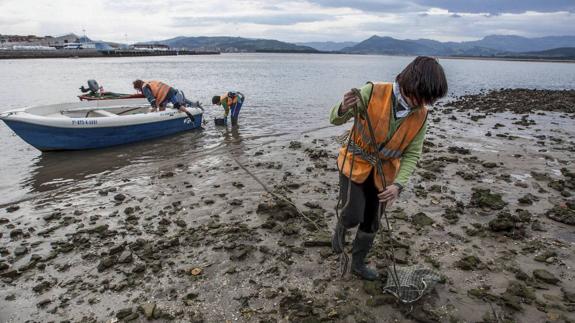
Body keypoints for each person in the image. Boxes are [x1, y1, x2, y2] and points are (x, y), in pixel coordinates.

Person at [330, 56, 448, 280]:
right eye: (420, 96)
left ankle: (357, 263)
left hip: (385, 175)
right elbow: (334, 120)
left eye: (428, 100)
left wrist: (398, 185)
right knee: (353, 214)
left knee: (372, 221)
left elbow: (413, 153)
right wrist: (344, 107)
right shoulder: (371, 91)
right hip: (353, 164)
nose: (421, 103)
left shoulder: (421, 115)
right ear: (408, 83)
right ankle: (339, 232)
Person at [133, 80, 201, 120]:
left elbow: (151, 98)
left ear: (138, 86)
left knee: (161, 107)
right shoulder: (148, 82)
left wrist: (153, 107)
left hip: (163, 94)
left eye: (137, 89)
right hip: (169, 89)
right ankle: (187, 112)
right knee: (177, 105)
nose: (139, 91)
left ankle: (161, 119)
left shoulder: (144, 87)